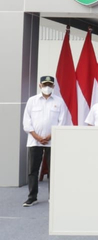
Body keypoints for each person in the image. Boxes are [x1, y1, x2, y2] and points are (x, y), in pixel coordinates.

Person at [22, 76, 70, 207]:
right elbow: (27, 121)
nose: (47, 87)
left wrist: (49, 136)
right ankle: (32, 197)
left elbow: (63, 121)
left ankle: (52, 197)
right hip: (34, 140)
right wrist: (37, 136)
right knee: (33, 170)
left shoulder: (59, 102)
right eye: (45, 84)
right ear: (40, 85)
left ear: (53, 86)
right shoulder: (32, 101)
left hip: (53, 141)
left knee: (53, 170)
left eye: (50, 84)